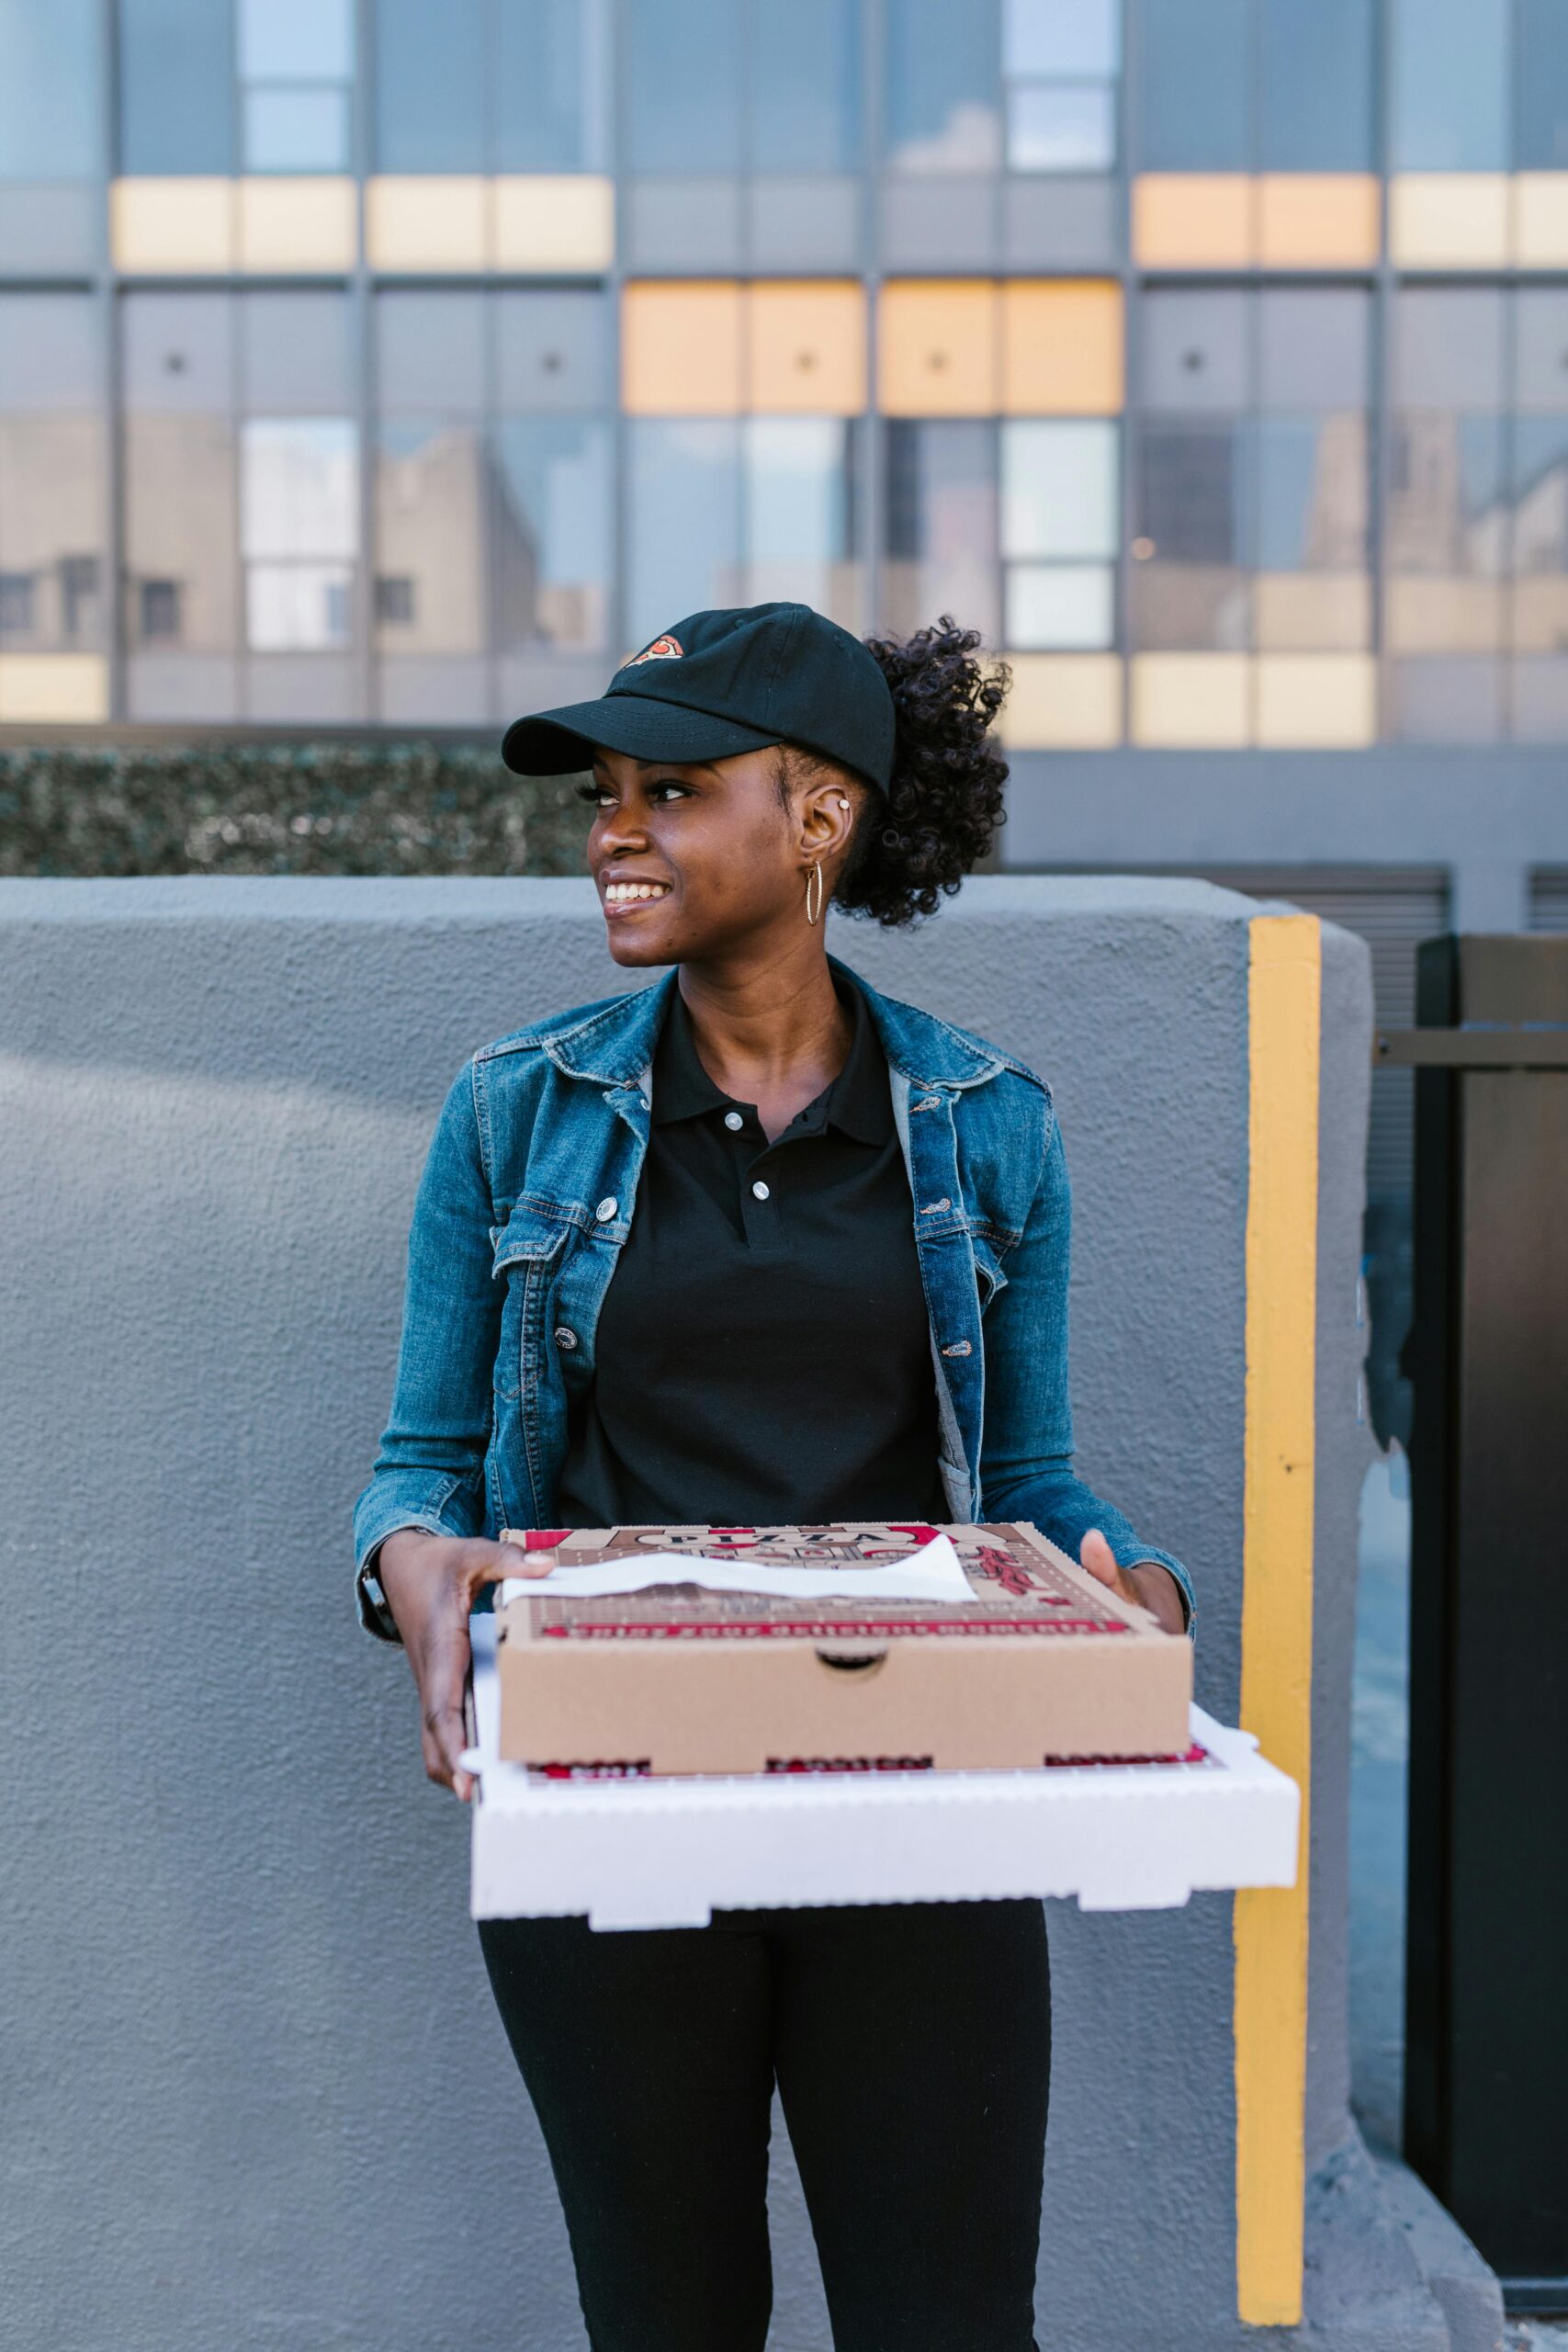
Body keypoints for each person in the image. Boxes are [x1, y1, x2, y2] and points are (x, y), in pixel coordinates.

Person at [352, 601, 1195, 2352]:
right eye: (603, 794)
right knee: (668, 2320)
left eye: (669, 790)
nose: (613, 833)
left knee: (949, 2323)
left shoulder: (988, 1124)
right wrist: (409, 1565)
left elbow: (1024, 1478)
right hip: (616, 1799)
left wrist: (1123, 1583)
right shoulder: (514, 1115)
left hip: (922, 1802)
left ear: (818, 818)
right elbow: (416, 1470)